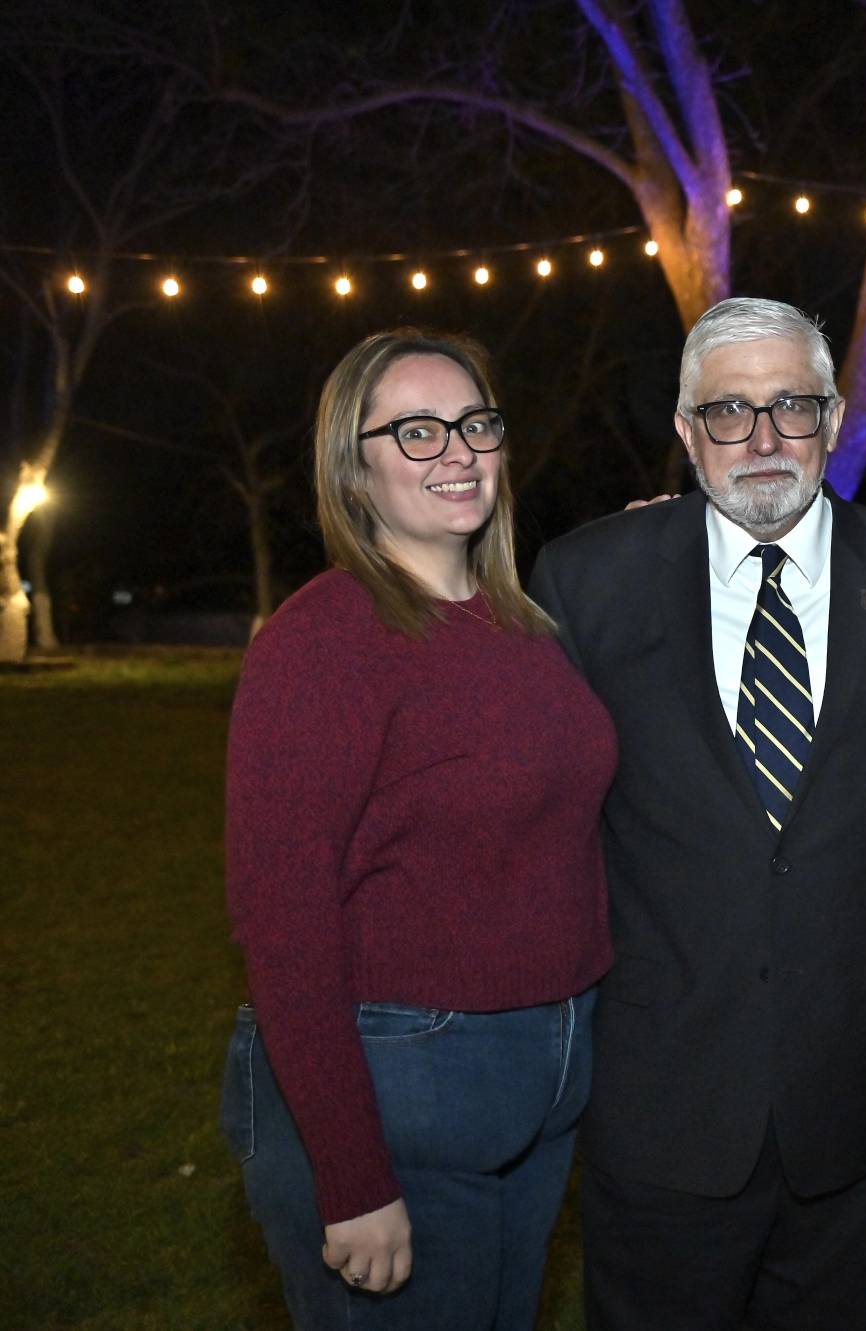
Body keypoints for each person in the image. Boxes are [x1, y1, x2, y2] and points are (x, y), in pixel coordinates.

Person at [528, 296, 866, 1330]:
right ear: (687, 433)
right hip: (661, 1098)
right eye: (729, 411)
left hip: (857, 1102)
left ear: (834, 418)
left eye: (792, 405)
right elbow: (531, 826)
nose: (764, 437)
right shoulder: (587, 581)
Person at [221, 328, 615, 1330]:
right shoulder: (324, 640)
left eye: (476, 424)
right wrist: (352, 1175)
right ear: (353, 467)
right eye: (416, 430)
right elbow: (283, 921)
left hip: (540, 1086)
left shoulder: (522, 627)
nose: (457, 451)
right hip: (399, 1094)